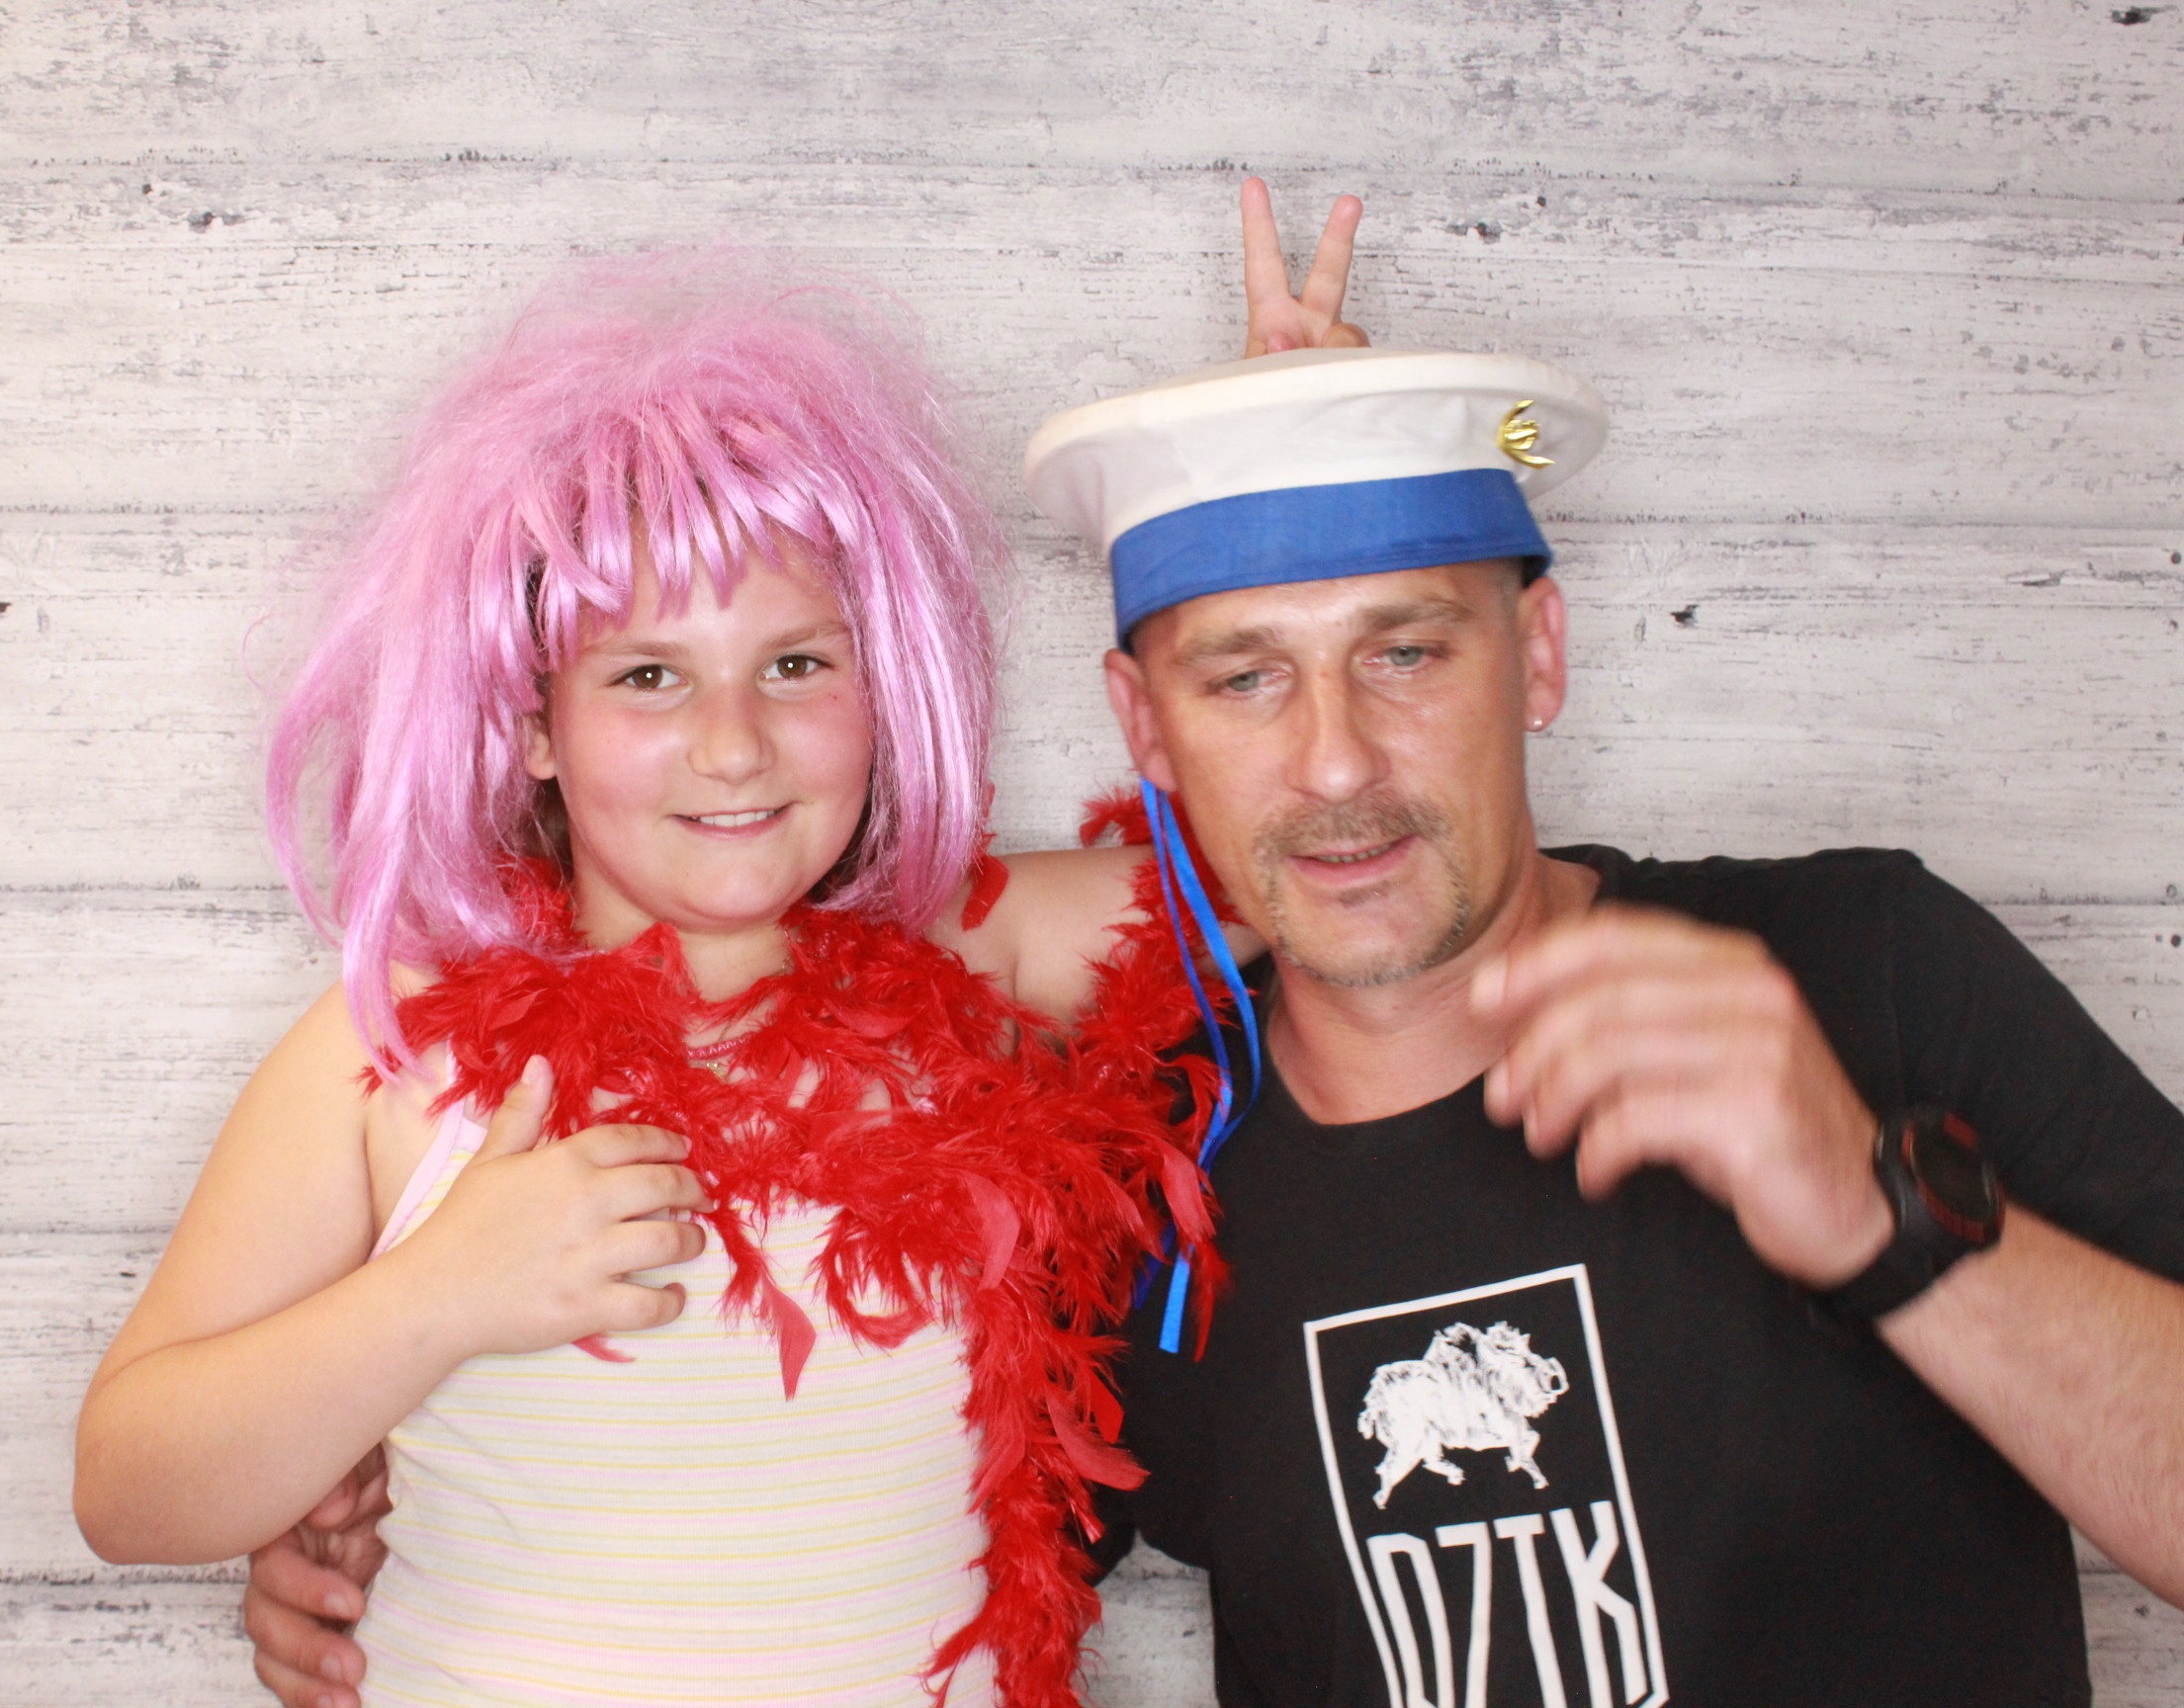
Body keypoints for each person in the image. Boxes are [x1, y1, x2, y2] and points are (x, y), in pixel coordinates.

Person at [244, 186, 2184, 1707]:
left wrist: (1881, 1223)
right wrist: (380, 1481)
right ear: (1144, 729)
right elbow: (830, 1514)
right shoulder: (1132, 1186)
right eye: (1245, 675)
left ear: (1542, 653)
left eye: (1407, 648)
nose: (1335, 759)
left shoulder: (1857, 965)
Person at [71, 253, 1222, 1708]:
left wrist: (1310, 475)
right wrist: (433, 1300)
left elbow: (1318, 868)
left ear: (885, 687)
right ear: (531, 722)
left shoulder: (977, 954)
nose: (732, 746)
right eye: (647, 676)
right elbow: (128, 1487)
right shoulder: (401, 1052)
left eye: (796, 666)